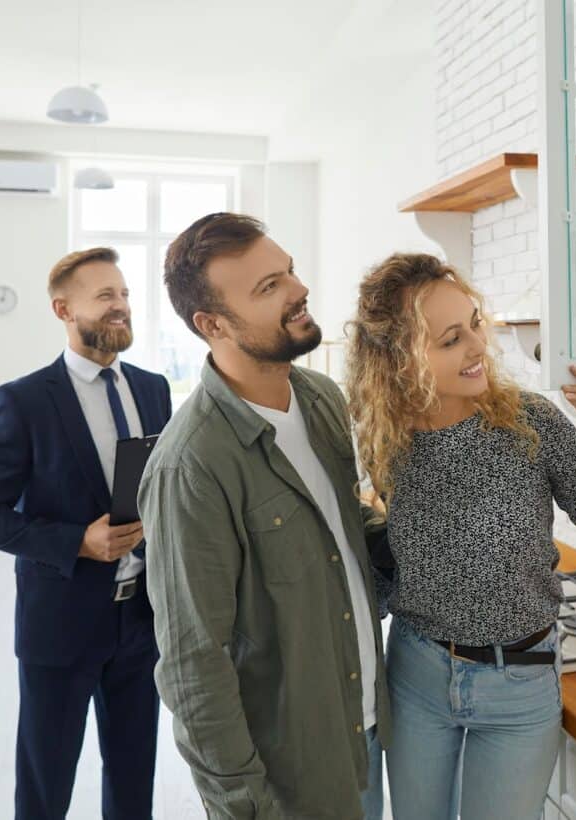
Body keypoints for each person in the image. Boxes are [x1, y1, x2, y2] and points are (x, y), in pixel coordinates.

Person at [345, 252, 576, 820]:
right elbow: (385, 557)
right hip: (418, 673)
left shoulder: (530, 422)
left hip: (522, 683)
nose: (477, 347)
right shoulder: (381, 439)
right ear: (398, 359)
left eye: (476, 325)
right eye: (451, 339)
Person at [138, 212, 390, 820]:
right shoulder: (190, 465)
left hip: (363, 730)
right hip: (285, 774)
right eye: (267, 287)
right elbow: (195, 663)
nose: (298, 289)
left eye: (289, 272)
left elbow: (342, 541)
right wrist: (244, 803)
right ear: (213, 324)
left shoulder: (321, 399)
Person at [0, 247, 172, 820]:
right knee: (45, 785)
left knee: (134, 783)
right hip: (60, 625)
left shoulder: (152, 390)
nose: (121, 306)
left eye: (124, 294)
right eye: (105, 296)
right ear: (62, 309)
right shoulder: (21, 401)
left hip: (142, 622)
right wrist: (78, 540)